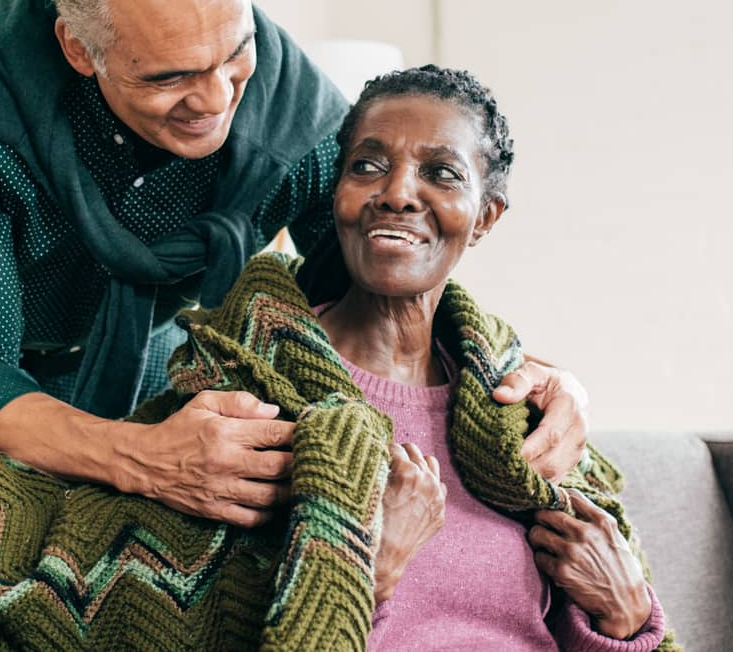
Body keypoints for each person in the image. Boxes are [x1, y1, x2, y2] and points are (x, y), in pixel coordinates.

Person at [0, 0, 590, 528]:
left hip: (142, 321)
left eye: (234, 54)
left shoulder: (302, 123)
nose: (214, 100)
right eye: (168, 77)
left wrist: (533, 379)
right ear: (78, 48)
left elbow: (372, 307)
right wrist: (139, 455)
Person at [275, 64, 670, 649]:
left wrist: (628, 613)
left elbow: (599, 613)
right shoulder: (256, 395)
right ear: (338, 192)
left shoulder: (519, 413)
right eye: (368, 166)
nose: (398, 193)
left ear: (485, 217)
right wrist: (368, 569)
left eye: (441, 173)